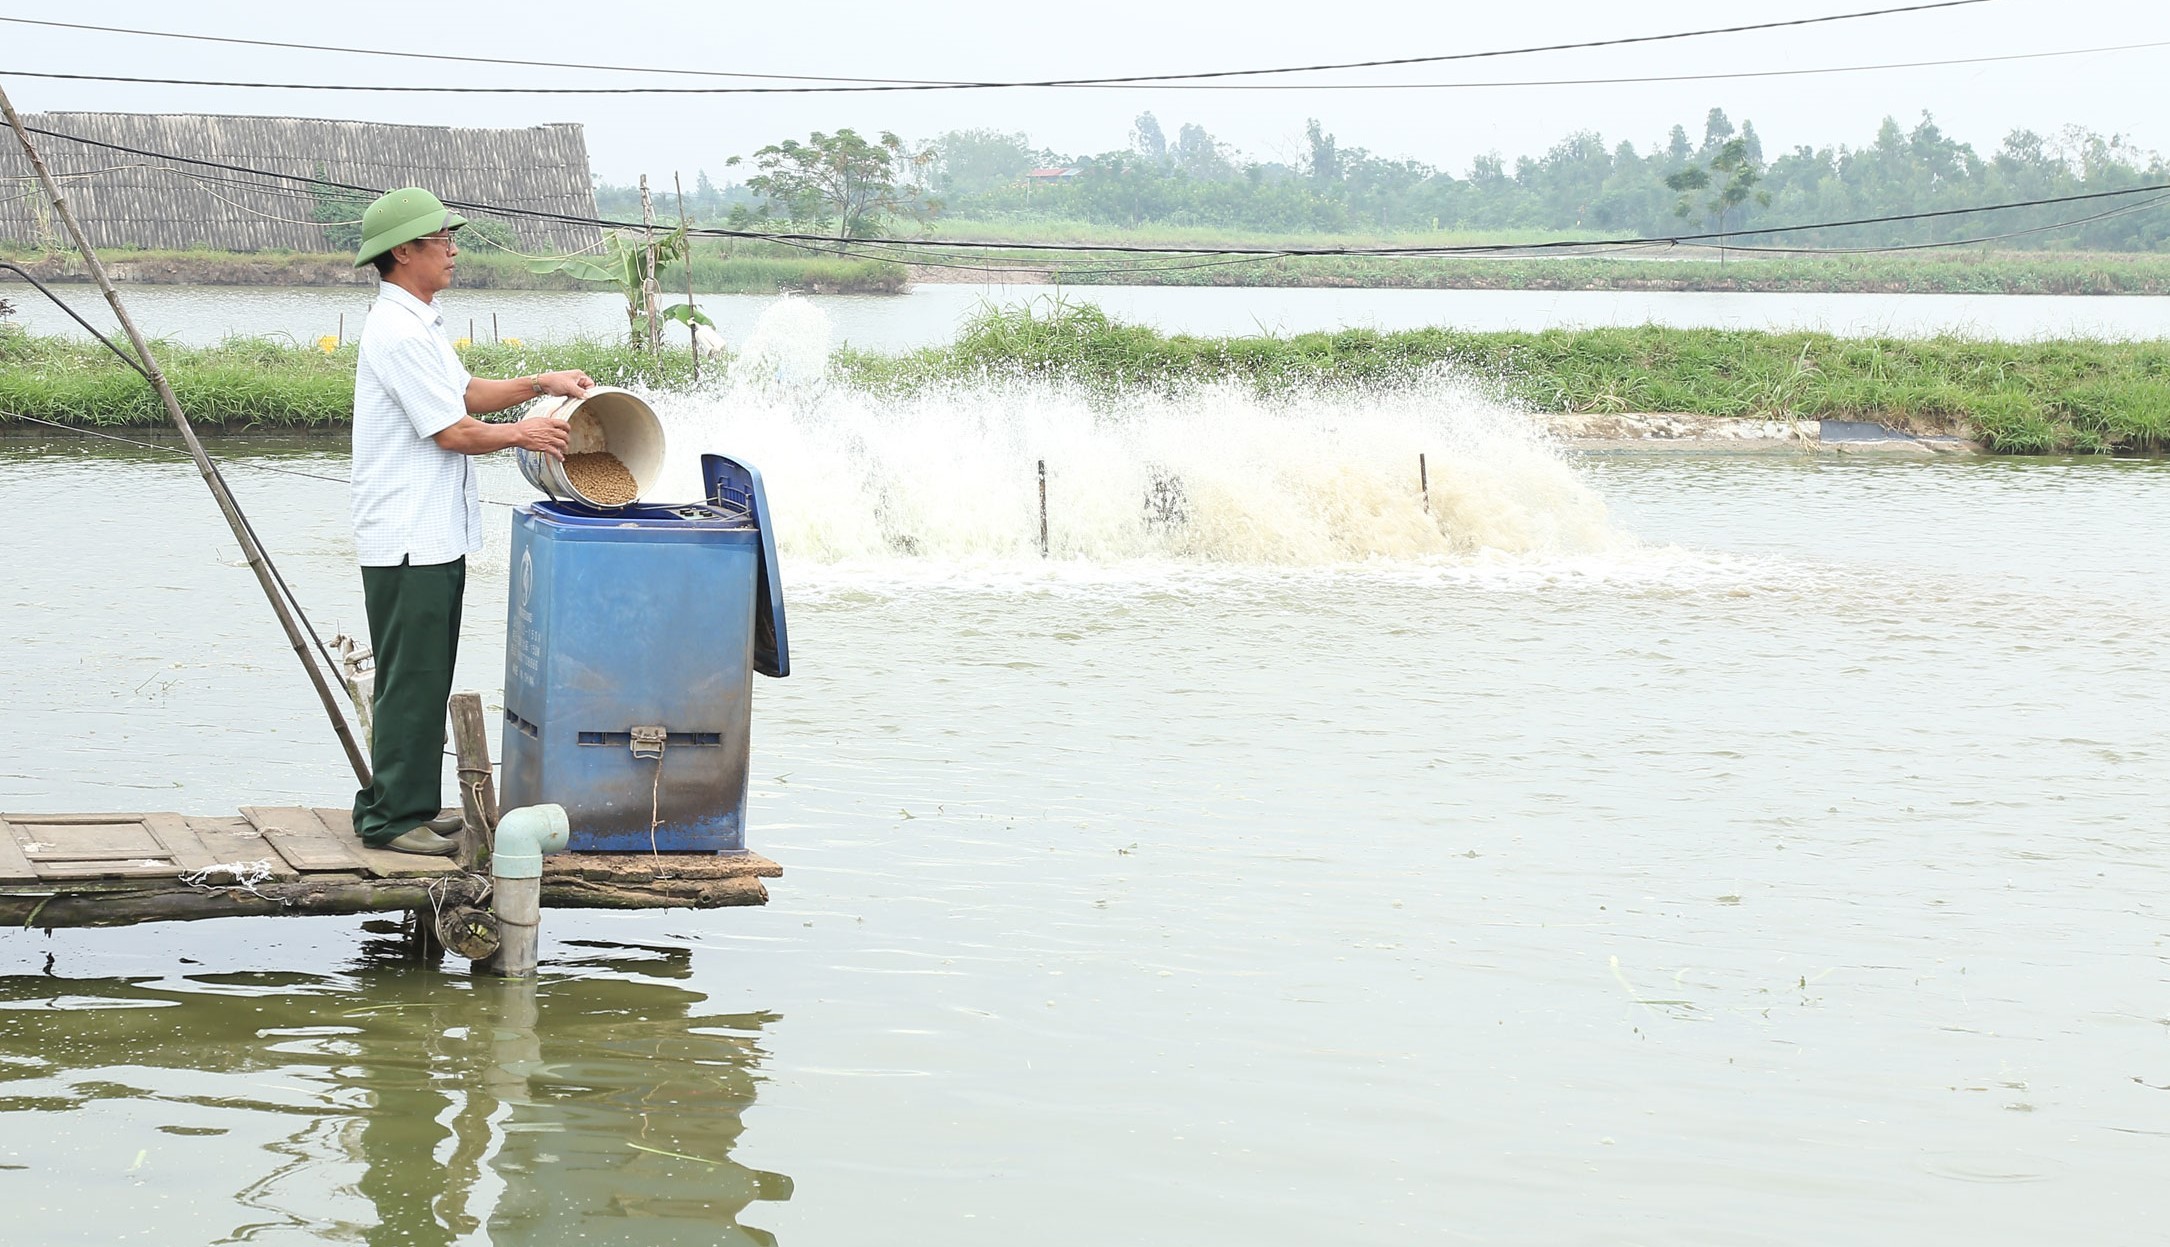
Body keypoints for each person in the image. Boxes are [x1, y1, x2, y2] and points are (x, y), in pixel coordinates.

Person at [348, 187, 592, 855]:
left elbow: (466, 393)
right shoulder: (396, 331)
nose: (453, 250)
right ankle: (390, 818)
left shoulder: (419, 322)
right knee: (412, 676)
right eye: (440, 240)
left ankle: (410, 801)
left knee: (425, 672)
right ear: (404, 252)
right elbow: (453, 430)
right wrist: (524, 433)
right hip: (406, 535)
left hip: (430, 532)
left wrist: (541, 384)